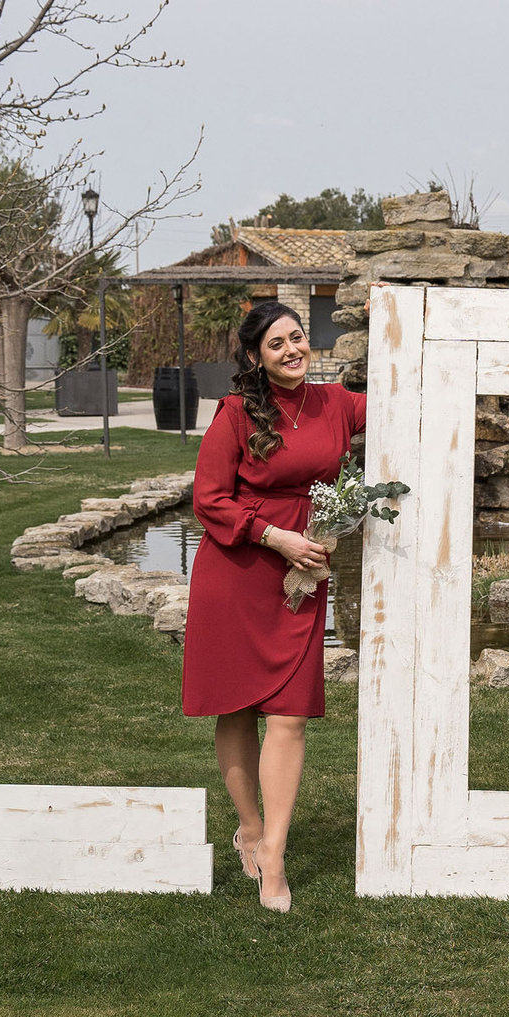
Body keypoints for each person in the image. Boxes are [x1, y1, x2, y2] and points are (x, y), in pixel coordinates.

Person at [182, 302, 366, 913]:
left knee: (289, 714)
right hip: (238, 569)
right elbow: (208, 497)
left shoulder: (337, 403)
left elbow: (412, 393)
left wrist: (401, 308)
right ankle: (250, 829)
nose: (292, 350)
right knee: (236, 710)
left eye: (297, 338)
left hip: (302, 573)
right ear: (256, 356)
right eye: (276, 343)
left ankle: (275, 855)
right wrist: (274, 535)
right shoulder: (236, 413)